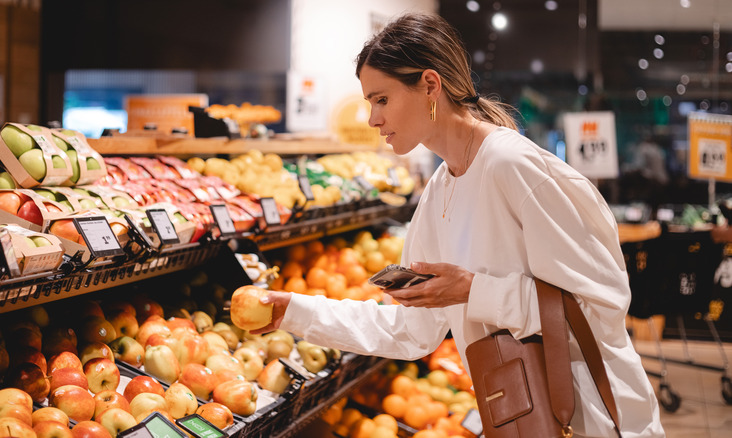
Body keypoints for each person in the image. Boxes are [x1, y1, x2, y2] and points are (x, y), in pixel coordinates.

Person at [254, 12, 665, 438]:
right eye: (369, 103)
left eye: (381, 100)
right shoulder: (440, 189)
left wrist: (473, 290)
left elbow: (602, 303)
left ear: (430, 85)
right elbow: (413, 333)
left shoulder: (512, 165)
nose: (372, 120)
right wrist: (294, 311)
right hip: (525, 418)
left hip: (595, 419)